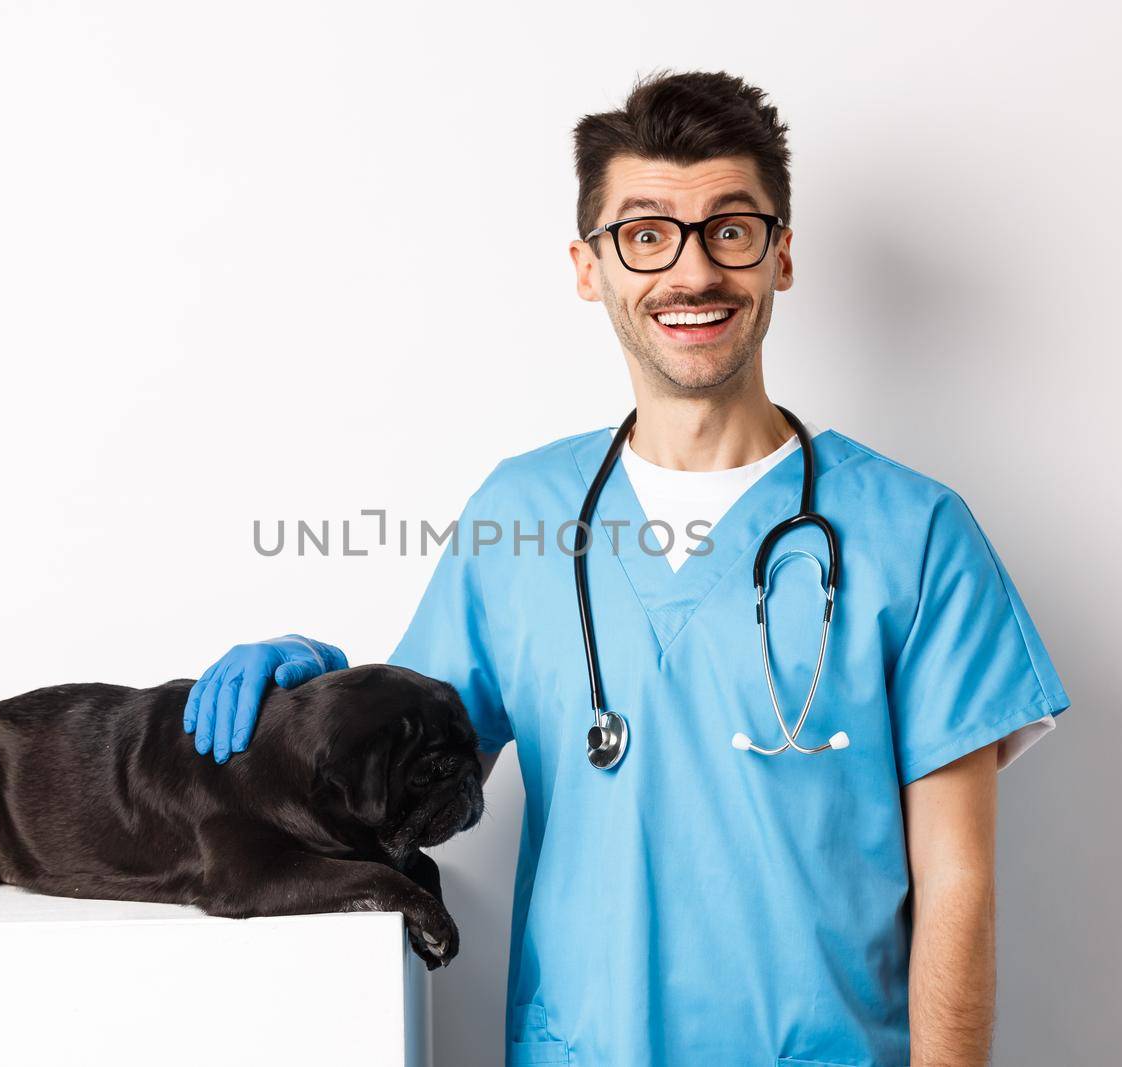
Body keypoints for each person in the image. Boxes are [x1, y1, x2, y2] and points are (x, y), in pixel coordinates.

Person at [182, 69, 1070, 1067]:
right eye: (645, 235)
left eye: (729, 229)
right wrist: (306, 690)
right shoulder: (520, 514)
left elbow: (957, 882)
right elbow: (397, 785)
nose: (691, 273)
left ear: (780, 257)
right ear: (588, 266)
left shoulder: (915, 532)